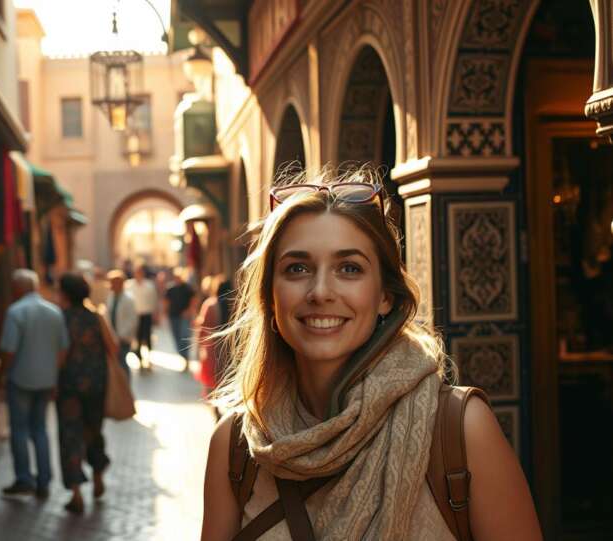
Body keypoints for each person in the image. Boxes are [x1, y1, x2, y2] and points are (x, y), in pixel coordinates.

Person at [200, 170, 543, 540]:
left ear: (385, 296)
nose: (320, 291)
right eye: (297, 268)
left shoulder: (460, 430)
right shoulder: (237, 447)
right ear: (269, 295)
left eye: (349, 268)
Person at [0, 269, 68, 500]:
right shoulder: (54, 312)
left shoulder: (15, 312)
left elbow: (8, 350)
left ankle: (24, 478)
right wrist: (54, 375)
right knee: (40, 430)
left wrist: (0, 376)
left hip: (21, 380)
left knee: (19, 430)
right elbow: (63, 348)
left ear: (18, 288)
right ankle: (44, 480)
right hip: (46, 380)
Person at [56, 273, 112, 514]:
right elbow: (114, 346)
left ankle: (77, 494)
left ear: (65, 294)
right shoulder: (95, 317)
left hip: (69, 387)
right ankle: (98, 475)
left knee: (71, 436)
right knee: (93, 430)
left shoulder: (62, 319)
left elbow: (60, 353)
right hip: (96, 385)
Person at [195, 276, 235, 419]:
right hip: (231, 348)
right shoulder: (234, 305)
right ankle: (232, 410)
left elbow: (202, 327)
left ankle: (216, 409)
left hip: (212, 348)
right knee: (229, 377)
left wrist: (199, 345)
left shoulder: (210, 305)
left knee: (212, 380)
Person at [105, 269, 138, 375]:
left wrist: (121, 336)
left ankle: (126, 387)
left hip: (123, 338)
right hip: (112, 336)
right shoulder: (110, 297)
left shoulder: (129, 299)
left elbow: (132, 321)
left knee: (122, 363)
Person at [125, 263, 158, 370]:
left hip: (146, 314)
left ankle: (148, 356)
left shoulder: (149, 285)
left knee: (147, 336)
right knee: (137, 337)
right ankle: (139, 357)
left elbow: (153, 300)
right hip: (134, 315)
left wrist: (155, 313)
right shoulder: (129, 285)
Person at [165, 267, 196, 369]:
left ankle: (186, 357)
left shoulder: (187, 288)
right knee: (176, 337)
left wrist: (189, 312)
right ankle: (182, 355)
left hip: (184, 317)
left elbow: (193, 300)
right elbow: (166, 302)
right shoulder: (170, 289)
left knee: (184, 337)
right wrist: (165, 313)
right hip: (173, 316)